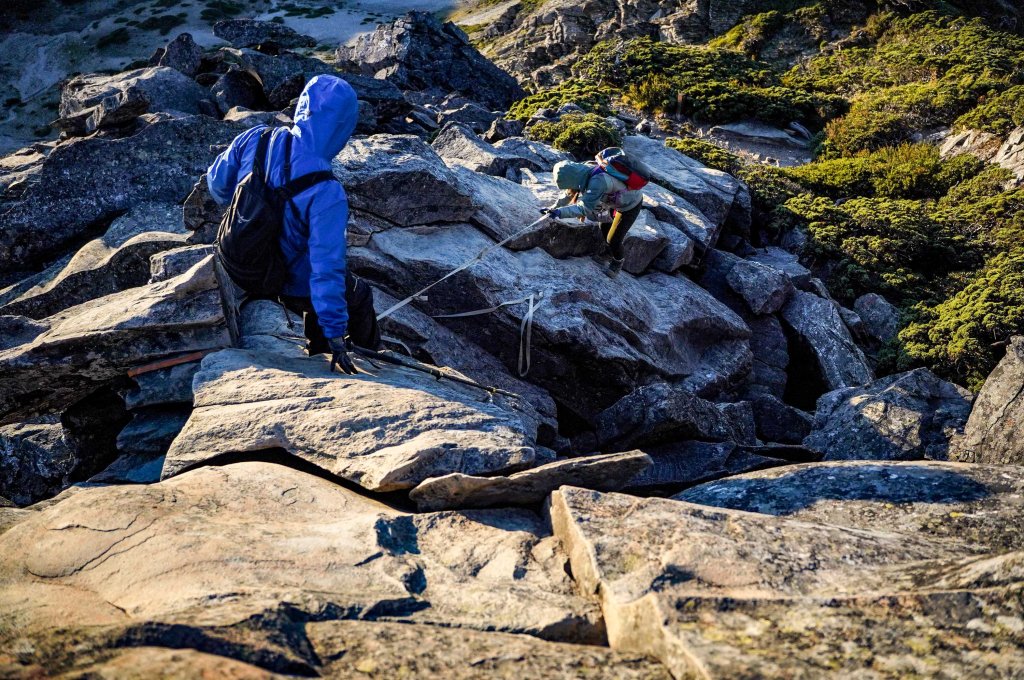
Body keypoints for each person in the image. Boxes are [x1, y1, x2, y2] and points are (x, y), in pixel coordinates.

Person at [206, 74, 380, 374]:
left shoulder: (255, 138)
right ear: (343, 126)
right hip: (284, 283)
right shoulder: (326, 191)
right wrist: (336, 332)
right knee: (358, 294)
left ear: (302, 107)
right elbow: (327, 267)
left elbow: (218, 186)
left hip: (237, 259)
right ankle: (354, 358)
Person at [543, 155, 645, 278]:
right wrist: (554, 208)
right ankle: (607, 254)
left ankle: (617, 262)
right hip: (612, 200)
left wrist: (559, 213)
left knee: (613, 239)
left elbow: (584, 209)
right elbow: (569, 194)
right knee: (604, 229)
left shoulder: (597, 182)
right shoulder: (583, 171)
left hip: (630, 204)